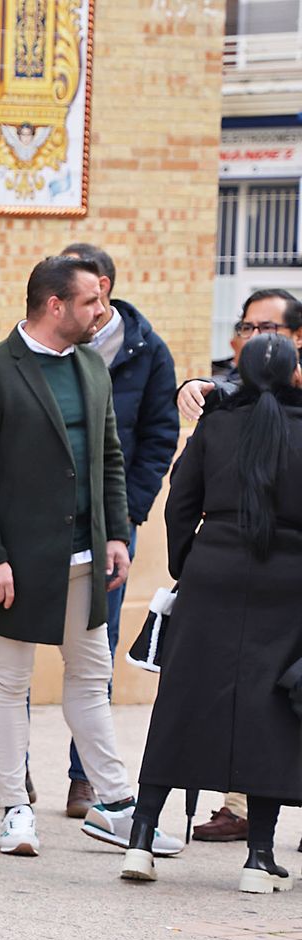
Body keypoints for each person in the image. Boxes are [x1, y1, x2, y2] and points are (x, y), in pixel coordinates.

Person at [0, 256, 181, 859]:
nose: (103, 312)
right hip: (14, 563)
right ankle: (15, 807)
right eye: (92, 303)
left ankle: (114, 803)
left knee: (92, 675)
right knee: (9, 678)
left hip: (86, 557)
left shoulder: (91, 367)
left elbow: (110, 457)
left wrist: (118, 534)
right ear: (55, 305)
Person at [122, 334, 302, 890]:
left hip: (213, 571)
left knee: (182, 700)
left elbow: (181, 498)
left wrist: (187, 565)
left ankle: (142, 841)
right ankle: (258, 858)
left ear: (239, 373)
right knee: (270, 714)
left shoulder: (217, 423)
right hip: (290, 580)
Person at [169, 288, 302, 845]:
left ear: (297, 336)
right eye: (247, 328)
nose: (255, 339)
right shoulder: (234, 394)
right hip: (251, 569)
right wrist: (198, 386)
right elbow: (228, 389)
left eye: (267, 327)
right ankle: (245, 806)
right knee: (259, 687)